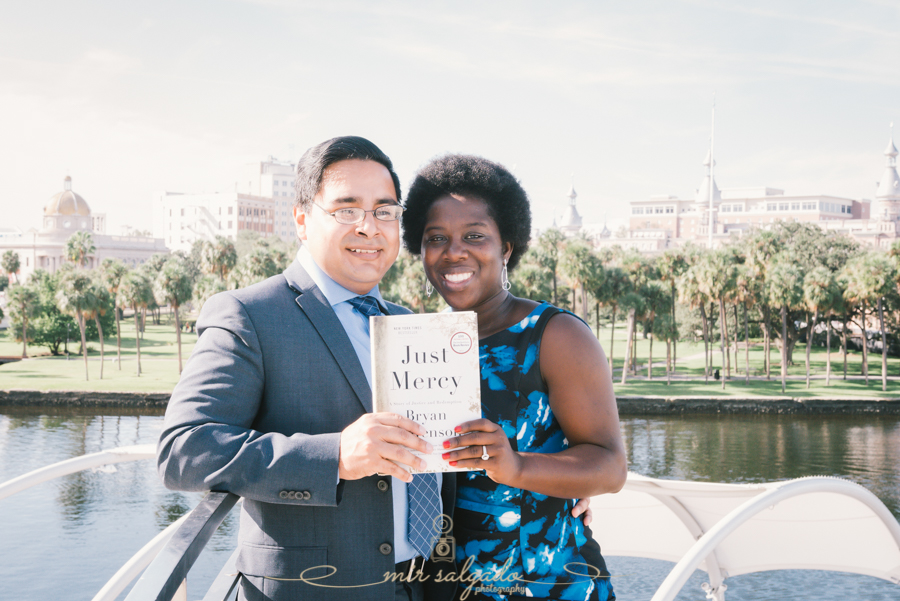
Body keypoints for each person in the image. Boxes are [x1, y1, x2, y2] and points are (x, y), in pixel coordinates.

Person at [158, 136, 457, 601]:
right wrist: (335, 455)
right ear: (301, 218)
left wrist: (550, 493)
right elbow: (184, 450)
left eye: (384, 210)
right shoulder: (248, 314)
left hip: (420, 586)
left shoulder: (410, 325)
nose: (369, 227)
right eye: (346, 209)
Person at [402, 154, 627, 601]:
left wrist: (519, 467)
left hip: (548, 583)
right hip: (444, 585)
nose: (454, 252)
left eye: (474, 236)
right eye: (436, 238)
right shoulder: (417, 341)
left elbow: (610, 466)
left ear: (506, 246)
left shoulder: (556, 335)